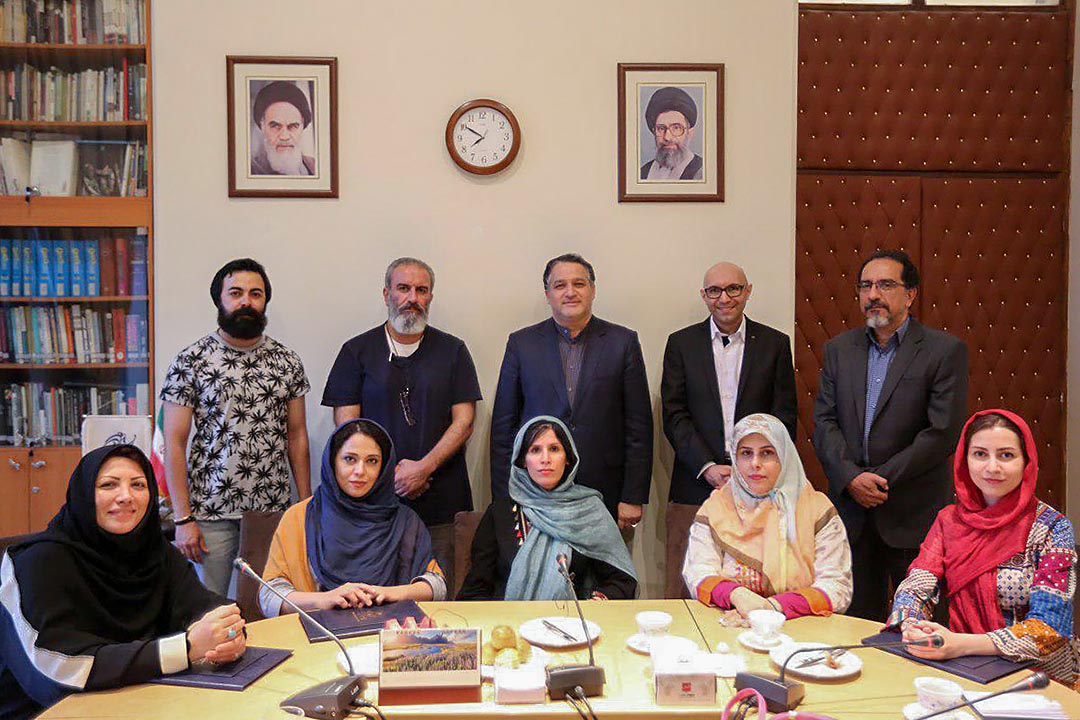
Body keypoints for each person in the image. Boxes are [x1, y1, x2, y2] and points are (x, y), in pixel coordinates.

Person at [0, 445, 246, 720]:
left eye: (138, 485)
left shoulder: (156, 551)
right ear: (84, 494)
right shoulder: (35, 562)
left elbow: (203, 606)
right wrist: (185, 649)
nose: (126, 496)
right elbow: (58, 671)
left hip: (145, 701)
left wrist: (228, 635)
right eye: (108, 485)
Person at [813, 249, 968, 621]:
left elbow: (941, 433)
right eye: (865, 286)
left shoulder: (943, 351)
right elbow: (824, 422)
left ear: (910, 294)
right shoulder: (839, 350)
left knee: (920, 628)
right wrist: (852, 478)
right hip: (852, 515)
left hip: (913, 515)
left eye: (885, 285)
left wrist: (879, 480)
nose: (873, 295)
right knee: (852, 626)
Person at [322, 257, 481, 593]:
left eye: (421, 290)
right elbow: (347, 427)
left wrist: (424, 468)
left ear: (430, 296)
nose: (412, 298)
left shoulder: (453, 351)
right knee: (372, 597)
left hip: (442, 502)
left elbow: (465, 421)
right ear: (386, 294)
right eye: (403, 288)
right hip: (373, 504)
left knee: (441, 596)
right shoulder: (356, 351)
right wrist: (388, 475)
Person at [889, 410, 1080, 687]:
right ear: (964, 460)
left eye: (1006, 455)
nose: (992, 467)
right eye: (980, 454)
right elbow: (917, 586)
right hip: (964, 670)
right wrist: (911, 625)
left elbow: (1049, 629)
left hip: (1039, 678)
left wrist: (961, 644)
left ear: (1026, 461)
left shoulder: (1052, 528)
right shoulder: (949, 521)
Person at [162, 258, 312, 597]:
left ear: (265, 301)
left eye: (255, 294)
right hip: (209, 511)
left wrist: (305, 507)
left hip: (270, 511)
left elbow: (297, 435)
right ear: (219, 299)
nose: (246, 301)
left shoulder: (287, 362)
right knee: (208, 607)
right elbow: (174, 442)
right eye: (236, 293)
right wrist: (182, 519)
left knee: (266, 607)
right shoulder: (191, 361)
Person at [490, 253, 652, 537]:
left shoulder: (622, 342)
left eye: (579, 284)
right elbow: (505, 427)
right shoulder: (522, 344)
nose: (570, 292)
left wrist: (633, 495)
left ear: (593, 290)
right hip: (537, 493)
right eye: (560, 285)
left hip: (605, 490)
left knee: (604, 565)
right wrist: (506, 497)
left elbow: (638, 426)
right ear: (547, 294)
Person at [661, 261, 797, 597]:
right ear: (704, 296)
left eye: (733, 289)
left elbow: (783, 419)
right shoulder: (681, 344)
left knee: (755, 589)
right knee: (687, 589)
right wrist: (707, 466)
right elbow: (674, 414)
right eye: (715, 291)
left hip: (759, 488)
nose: (724, 298)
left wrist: (748, 469)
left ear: (748, 291)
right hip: (694, 483)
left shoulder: (775, 344)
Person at [259, 419, 446, 616]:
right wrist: (325, 599)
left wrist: (392, 593)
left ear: (384, 466)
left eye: (372, 461)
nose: (360, 471)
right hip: (318, 629)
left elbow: (437, 586)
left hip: (391, 629)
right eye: (349, 459)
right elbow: (269, 596)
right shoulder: (300, 516)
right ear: (333, 461)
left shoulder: (405, 520)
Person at [683, 413, 852, 622]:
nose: (755, 463)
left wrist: (772, 607)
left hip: (799, 624)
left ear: (784, 456)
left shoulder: (816, 509)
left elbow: (837, 587)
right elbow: (698, 573)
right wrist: (737, 595)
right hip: (729, 620)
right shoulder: (717, 506)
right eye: (746, 453)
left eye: (767, 453)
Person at [459, 416, 637, 601]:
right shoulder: (500, 513)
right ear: (522, 460)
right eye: (535, 450)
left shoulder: (591, 511)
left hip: (573, 617)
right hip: (511, 617)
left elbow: (622, 581)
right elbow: (475, 589)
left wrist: (595, 603)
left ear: (568, 458)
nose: (545, 459)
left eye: (554, 449)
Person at [250, 80, 316, 176]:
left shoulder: (315, 166)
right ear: (262, 127)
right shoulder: (250, 171)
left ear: (302, 126)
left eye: (293, 126)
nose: (284, 137)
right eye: (275, 126)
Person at [639, 86, 703, 181]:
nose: (667, 137)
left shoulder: (702, 173)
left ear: (690, 133)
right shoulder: (643, 173)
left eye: (676, 128)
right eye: (661, 128)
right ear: (654, 132)